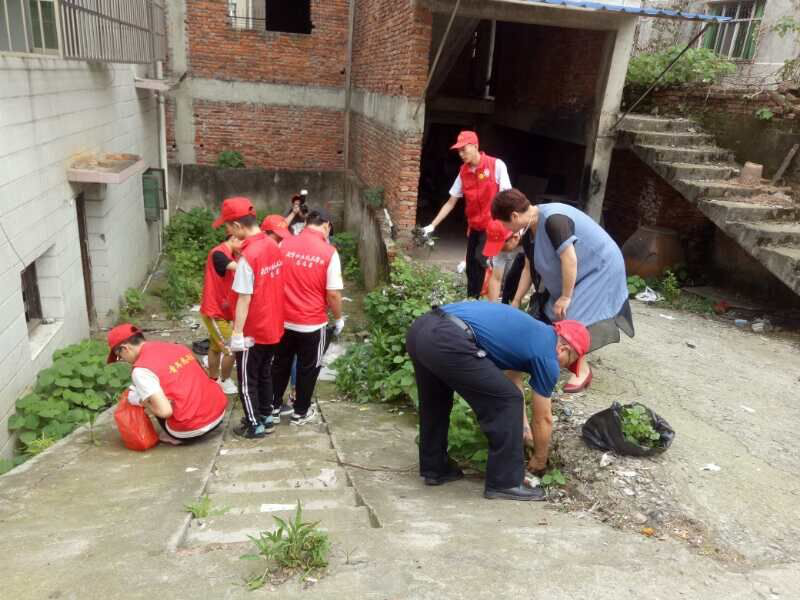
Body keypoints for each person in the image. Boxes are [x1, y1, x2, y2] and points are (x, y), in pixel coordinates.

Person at [406, 302, 589, 500]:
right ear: (563, 349)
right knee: (507, 402)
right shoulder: (548, 357)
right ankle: (505, 482)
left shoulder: (532, 332)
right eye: (569, 362)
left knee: (436, 401)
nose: (562, 368)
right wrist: (540, 458)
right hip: (448, 337)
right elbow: (543, 418)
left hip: (421, 329)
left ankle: (435, 468)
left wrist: (523, 428)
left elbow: (512, 379)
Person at [492, 189, 633, 392]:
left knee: (571, 317)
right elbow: (528, 269)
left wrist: (566, 297)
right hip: (581, 271)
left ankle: (582, 371)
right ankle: (560, 360)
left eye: (504, 224)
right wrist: (516, 300)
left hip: (601, 268)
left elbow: (569, 258)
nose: (505, 229)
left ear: (514, 216)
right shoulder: (529, 231)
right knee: (550, 312)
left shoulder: (553, 220)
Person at [213, 197, 285, 439]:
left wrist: (237, 334)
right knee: (264, 373)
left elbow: (244, 298)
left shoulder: (248, 257)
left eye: (228, 226)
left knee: (246, 380)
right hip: (273, 325)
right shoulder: (272, 245)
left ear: (237, 226)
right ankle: (266, 416)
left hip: (252, 330)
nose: (228, 232)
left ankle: (254, 425)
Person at [271, 208, 345, 426]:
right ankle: (300, 413)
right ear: (327, 225)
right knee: (308, 368)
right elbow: (333, 294)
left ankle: (273, 409)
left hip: (282, 320)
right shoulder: (329, 252)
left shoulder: (284, 244)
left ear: (305, 224)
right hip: (311, 323)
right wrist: (338, 318)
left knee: (279, 364)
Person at [420, 131, 512, 298]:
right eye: (459, 151)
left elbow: (507, 196)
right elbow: (451, 202)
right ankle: (472, 299)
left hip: (493, 225)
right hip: (475, 225)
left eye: (464, 149)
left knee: (480, 261)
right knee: (470, 266)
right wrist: (432, 225)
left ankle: (484, 299)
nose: (461, 154)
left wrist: (506, 226)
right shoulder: (463, 172)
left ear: (475, 146)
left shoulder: (496, 165)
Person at [107, 324, 227, 445]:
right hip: (219, 412)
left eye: (120, 356)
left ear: (125, 348)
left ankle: (174, 437)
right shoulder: (176, 346)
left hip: (192, 429)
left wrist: (140, 400)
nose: (124, 360)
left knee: (152, 398)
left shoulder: (141, 370)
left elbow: (165, 412)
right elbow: (203, 374)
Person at [199, 235, 242, 395]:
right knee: (232, 348)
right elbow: (239, 268)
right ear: (234, 238)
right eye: (243, 241)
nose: (245, 246)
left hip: (221, 310)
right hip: (215, 312)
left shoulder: (230, 253)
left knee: (216, 347)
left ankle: (213, 379)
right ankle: (225, 381)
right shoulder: (218, 253)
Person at [481, 219, 521, 303]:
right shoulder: (500, 234)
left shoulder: (533, 233)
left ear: (515, 237)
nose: (499, 250)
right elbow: (496, 278)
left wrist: (517, 301)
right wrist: (493, 306)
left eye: (501, 247)